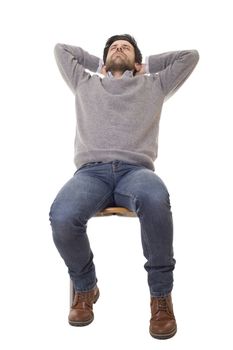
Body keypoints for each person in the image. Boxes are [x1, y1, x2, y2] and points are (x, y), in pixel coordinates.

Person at [49, 34, 199, 339]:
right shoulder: (85, 82)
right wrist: (97, 64)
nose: (119, 48)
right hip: (91, 174)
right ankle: (85, 287)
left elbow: (190, 56)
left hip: (136, 172)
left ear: (136, 59)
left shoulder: (154, 84)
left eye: (125, 47)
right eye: (113, 47)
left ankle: (161, 297)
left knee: (156, 197)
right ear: (105, 58)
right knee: (62, 215)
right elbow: (60, 49)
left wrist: (149, 66)